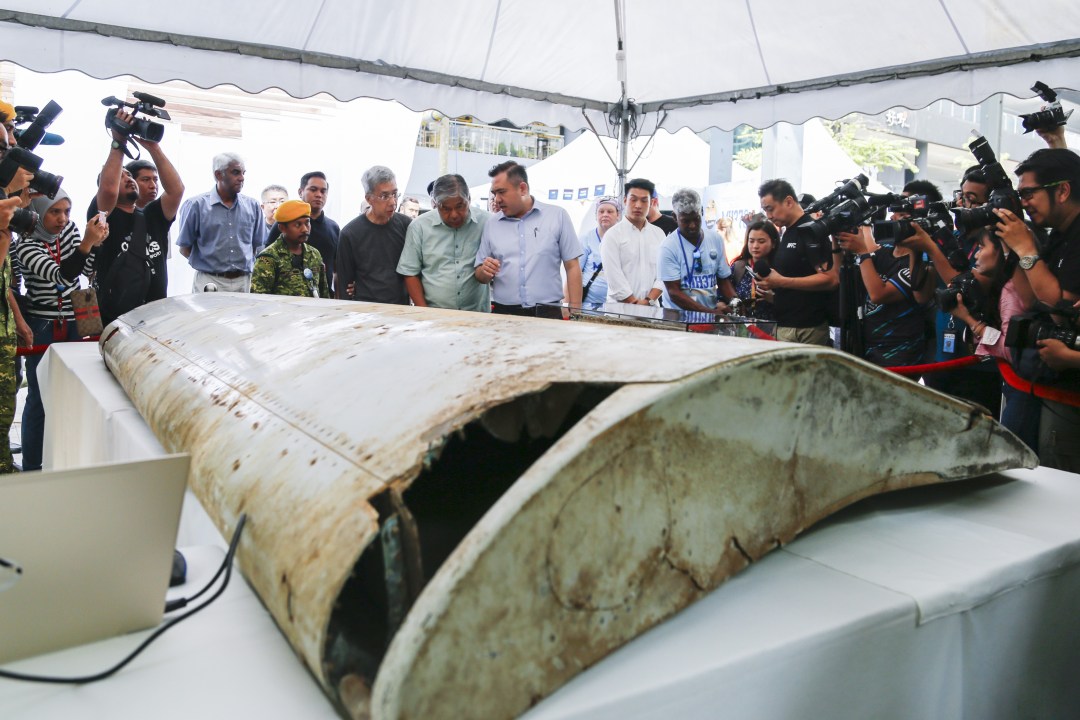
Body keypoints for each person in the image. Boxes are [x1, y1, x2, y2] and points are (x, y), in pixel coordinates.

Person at [994, 148, 1080, 471]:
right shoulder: (1060, 234)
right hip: (1051, 386)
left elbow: (1062, 310)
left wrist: (1028, 249)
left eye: (1028, 193)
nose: (1023, 203)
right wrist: (1015, 250)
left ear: (1062, 190)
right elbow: (1031, 299)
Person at [15, 191, 108, 472]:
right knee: (39, 397)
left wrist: (96, 244)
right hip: (41, 322)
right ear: (37, 212)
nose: (62, 219)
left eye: (67, 211)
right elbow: (63, 275)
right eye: (54, 212)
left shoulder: (70, 231)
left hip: (80, 313)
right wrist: (88, 244)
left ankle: (70, 461)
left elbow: (86, 267)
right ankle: (33, 466)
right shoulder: (24, 245)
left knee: (79, 393)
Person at [944, 228, 1038, 449]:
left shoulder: (1011, 290)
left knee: (1015, 447)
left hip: (1024, 388)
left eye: (982, 247)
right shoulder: (1004, 286)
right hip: (1016, 384)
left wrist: (970, 320)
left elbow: (1009, 346)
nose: (976, 255)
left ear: (1002, 252)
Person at [91, 109, 183, 325]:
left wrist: (153, 148)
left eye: (130, 175)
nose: (128, 179)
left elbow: (176, 190)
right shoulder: (104, 215)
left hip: (155, 314)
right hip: (117, 317)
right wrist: (118, 142)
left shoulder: (151, 215)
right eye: (122, 177)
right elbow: (108, 190)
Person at [474, 161, 582, 316]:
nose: (496, 199)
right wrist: (485, 271)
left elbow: (572, 266)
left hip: (547, 314)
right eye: (494, 193)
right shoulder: (491, 224)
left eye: (502, 192)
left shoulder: (557, 216)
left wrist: (576, 311)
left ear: (522, 188)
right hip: (504, 314)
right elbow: (479, 274)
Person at [836, 225, 933, 367]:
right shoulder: (883, 250)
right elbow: (840, 275)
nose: (894, 220)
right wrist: (836, 241)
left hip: (899, 350)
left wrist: (862, 252)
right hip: (867, 343)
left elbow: (878, 295)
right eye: (894, 213)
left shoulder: (916, 265)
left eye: (902, 216)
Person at [756, 179, 838, 346]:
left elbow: (831, 279)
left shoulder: (811, 231)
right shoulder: (788, 232)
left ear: (788, 202)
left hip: (807, 330)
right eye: (765, 211)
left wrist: (781, 282)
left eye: (770, 209)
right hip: (786, 325)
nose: (769, 216)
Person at [396, 174, 490, 312]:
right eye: (445, 208)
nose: (454, 214)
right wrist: (424, 312)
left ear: (469, 199)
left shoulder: (487, 223)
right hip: (435, 315)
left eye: (460, 206)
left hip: (477, 314)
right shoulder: (419, 227)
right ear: (434, 204)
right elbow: (410, 272)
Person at [177, 152, 264, 293]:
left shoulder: (253, 206)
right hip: (209, 281)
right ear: (218, 175)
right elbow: (184, 248)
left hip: (244, 281)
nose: (241, 178)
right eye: (235, 172)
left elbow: (256, 246)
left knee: (242, 316)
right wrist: (212, 265)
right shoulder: (195, 205)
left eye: (243, 173)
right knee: (207, 316)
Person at [657, 188, 736, 322]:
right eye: (686, 221)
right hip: (678, 321)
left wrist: (736, 302)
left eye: (696, 219)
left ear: (702, 213)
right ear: (675, 217)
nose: (693, 225)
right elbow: (674, 293)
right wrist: (710, 313)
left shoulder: (715, 239)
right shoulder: (668, 247)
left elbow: (723, 280)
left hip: (709, 318)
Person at [336, 165, 411, 304]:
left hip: (400, 310)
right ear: (369, 199)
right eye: (384, 196)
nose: (393, 202)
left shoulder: (407, 226)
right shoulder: (350, 233)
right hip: (365, 310)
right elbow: (344, 284)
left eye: (395, 194)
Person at [267, 172, 340, 296]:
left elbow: (337, 269)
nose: (319, 195)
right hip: (286, 300)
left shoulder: (333, 227)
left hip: (322, 299)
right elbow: (268, 263)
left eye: (323, 191)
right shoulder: (283, 224)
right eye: (313, 189)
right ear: (301, 192)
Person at [601, 180, 665, 307]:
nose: (638, 205)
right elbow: (613, 275)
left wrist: (648, 301)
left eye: (644, 200)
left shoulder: (659, 234)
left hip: (651, 310)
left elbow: (663, 273)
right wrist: (634, 302)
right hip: (619, 311)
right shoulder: (612, 235)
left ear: (652, 203)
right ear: (625, 201)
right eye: (633, 199)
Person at [251, 200, 329, 298]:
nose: (305, 229)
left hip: (313, 312)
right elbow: (259, 300)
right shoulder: (268, 258)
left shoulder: (314, 254)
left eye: (307, 223)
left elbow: (324, 293)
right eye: (298, 225)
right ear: (282, 228)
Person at [730, 220, 779, 321]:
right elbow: (723, 295)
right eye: (751, 241)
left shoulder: (780, 269)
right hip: (743, 328)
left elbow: (794, 302)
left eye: (761, 241)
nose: (755, 246)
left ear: (773, 243)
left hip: (774, 328)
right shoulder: (738, 267)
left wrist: (774, 299)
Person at [578, 196, 620, 309]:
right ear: (596, 216)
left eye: (610, 211)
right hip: (587, 306)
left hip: (616, 306)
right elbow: (574, 273)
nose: (605, 214)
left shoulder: (624, 240)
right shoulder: (585, 239)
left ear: (618, 215)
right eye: (601, 211)